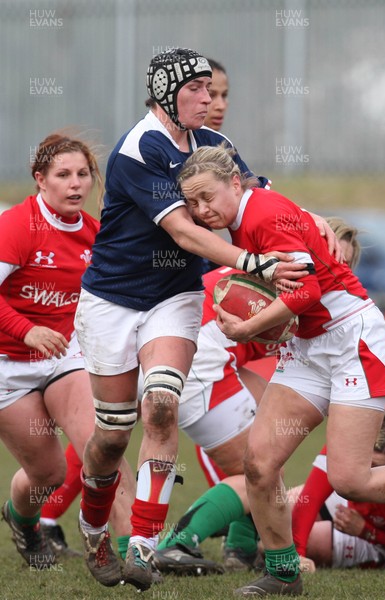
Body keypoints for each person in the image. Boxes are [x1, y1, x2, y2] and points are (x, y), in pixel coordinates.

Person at [176, 143, 385, 597]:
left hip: (352, 340)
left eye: (207, 198)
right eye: (192, 203)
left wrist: (250, 327)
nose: (201, 210)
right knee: (259, 462)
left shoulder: (260, 216)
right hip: (309, 346)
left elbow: (308, 292)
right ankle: (282, 571)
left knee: (349, 479)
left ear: (235, 183)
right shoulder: (240, 220)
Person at [74, 47, 322, 593]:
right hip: (112, 302)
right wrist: (253, 263)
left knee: (161, 406)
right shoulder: (138, 149)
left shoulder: (215, 145)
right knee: (112, 436)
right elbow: (185, 232)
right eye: (199, 91)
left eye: (212, 91)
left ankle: (143, 545)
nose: (210, 101)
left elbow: (254, 194)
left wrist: (312, 219)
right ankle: (93, 523)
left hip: (173, 299)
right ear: (167, 93)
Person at [154, 217, 362, 575]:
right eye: (331, 255)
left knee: (266, 450)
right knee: (260, 471)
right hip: (199, 357)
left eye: (342, 262)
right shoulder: (299, 280)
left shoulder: (285, 266)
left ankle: (241, 548)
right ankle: (178, 543)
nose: (334, 267)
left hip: (189, 349)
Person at [0, 133, 135, 570]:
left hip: (64, 357)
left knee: (107, 441)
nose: (75, 184)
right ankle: (23, 521)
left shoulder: (95, 235)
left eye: (83, 174)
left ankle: (135, 549)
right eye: (63, 175)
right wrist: (26, 331)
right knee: (48, 475)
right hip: (8, 365)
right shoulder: (19, 226)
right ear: (41, 180)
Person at [291, 409, 385, 570]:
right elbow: (311, 497)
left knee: (308, 541)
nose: (366, 474)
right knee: (284, 508)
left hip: (377, 538)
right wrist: (297, 554)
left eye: (378, 468)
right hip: (352, 503)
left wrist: (367, 531)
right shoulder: (347, 443)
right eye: (363, 463)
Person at [204, 58, 229, 132]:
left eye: (224, 95)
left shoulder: (223, 142)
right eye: (211, 95)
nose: (221, 106)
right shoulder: (169, 142)